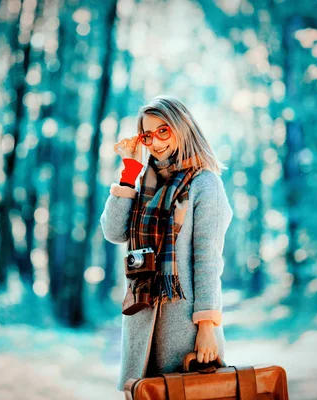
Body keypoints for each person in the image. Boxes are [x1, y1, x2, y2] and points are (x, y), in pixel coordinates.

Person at [99, 95, 233, 392]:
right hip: (142, 314)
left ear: (182, 128)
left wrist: (207, 326)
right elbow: (113, 231)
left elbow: (208, 260)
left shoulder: (205, 184)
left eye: (164, 130)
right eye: (148, 135)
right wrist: (129, 171)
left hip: (183, 325)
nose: (156, 142)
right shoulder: (147, 180)